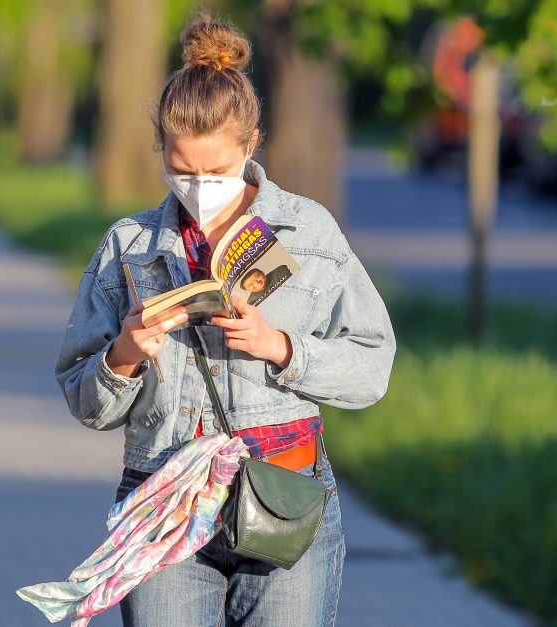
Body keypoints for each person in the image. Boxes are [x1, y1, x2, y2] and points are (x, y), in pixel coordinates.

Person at [54, 13, 395, 627]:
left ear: (251, 143)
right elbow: (84, 400)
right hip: (166, 497)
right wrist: (124, 355)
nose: (200, 186)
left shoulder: (307, 233)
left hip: (282, 491)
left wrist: (284, 348)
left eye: (216, 172)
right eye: (182, 171)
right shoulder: (128, 245)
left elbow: (372, 367)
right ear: (161, 150)